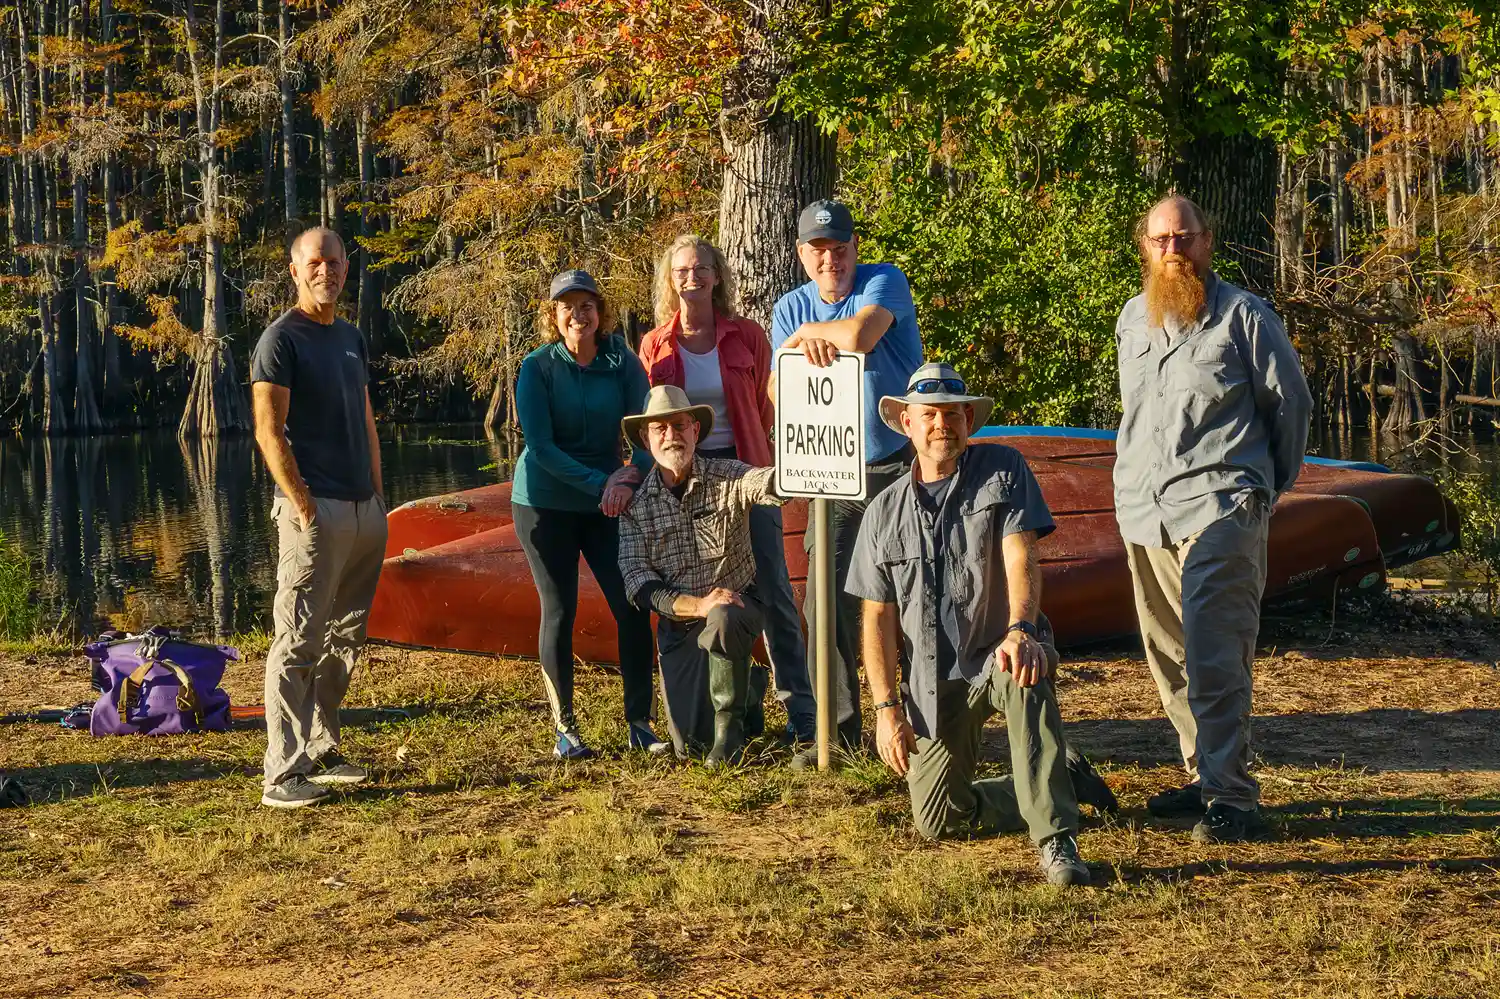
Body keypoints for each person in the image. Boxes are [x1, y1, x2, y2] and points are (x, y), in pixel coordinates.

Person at [845, 363, 1090, 886]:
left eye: (952, 414)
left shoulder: (1003, 469)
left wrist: (1021, 628)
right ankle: (1063, 776)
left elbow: (1021, 555)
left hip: (997, 651)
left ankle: (1055, 838)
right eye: (928, 414)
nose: (941, 425)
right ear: (906, 424)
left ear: (968, 421)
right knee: (938, 821)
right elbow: (877, 618)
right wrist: (887, 709)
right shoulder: (882, 513)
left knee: (1026, 670)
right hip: (933, 684)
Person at [1115, 195, 1312, 843]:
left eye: (1185, 237)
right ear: (1143, 247)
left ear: (1208, 241)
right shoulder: (1131, 321)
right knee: (1169, 655)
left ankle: (1233, 797)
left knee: (1215, 653)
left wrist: (1260, 488)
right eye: (1160, 239)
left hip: (1222, 506)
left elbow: (1291, 407)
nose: (1174, 250)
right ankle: (1204, 774)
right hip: (1146, 512)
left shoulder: (1245, 318)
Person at [638, 234, 816, 745]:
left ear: (717, 276)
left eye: (701, 269)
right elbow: (652, 418)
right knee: (700, 585)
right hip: (683, 477)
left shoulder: (747, 336)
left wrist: (762, 462)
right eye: (681, 271)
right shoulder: (655, 345)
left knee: (773, 587)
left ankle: (799, 710)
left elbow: (764, 407)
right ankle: (723, 700)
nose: (691, 278)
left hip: (743, 472)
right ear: (670, 282)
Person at [770, 199, 924, 763]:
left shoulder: (885, 281)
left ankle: (918, 724)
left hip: (896, 463)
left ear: (854, 247)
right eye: (818, 249)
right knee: (824, 603)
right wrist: (793, 344)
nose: (830, 258)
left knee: (910, 595)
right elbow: (774, 391)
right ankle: (838, 733)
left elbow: (859, 335)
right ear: (801, 255)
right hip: (829, 475)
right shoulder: (787, 307)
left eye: (839, 247)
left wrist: (808, 336)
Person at [251, 226, 388, 809]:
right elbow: (268, 430)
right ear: (295, 269)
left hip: (363, 510)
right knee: (298, 638)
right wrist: (303, 503)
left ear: (345, 270)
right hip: (316, 510)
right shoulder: (281, 340)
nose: (325, 271)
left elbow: (366, 421)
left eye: (334, 262)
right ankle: (282, 774)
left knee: (346, 635)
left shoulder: (351, 337)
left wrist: (379, 499)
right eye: (314, 262)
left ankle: (322, 746)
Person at [511, 269, 666, 760]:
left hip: (609, 503)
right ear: (553, 317)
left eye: (586, 306)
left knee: (632, 603)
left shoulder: (621, 359)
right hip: (544, 503)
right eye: (567, 307)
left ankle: (640, 723)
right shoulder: (537, 368)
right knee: (560, 609)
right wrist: (605, 482)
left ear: (601, 313)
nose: (578, 315)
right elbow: (540, 448)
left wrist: (633, 476)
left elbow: (646, 430)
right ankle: (565, 729)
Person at [618, 385, 785, 766]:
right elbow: (637, 581)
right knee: (688, 746)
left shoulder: (728, 475)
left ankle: (730, 737)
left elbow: (762, 483)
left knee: (723, 615)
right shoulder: (636, 508)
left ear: (696, 430)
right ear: (646, 438)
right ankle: (751, 692)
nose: (671, 436)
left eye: (679, 426)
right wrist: (698, 606)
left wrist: (792, 475)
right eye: (660, 429)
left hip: (739, 607)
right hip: (681, 626)